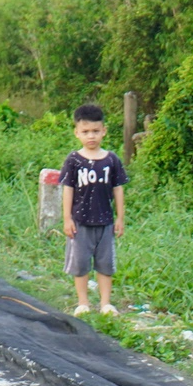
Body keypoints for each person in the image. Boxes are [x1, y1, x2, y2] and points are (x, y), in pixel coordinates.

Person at [60, 103, 128, 316]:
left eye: (96, 131)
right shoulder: (74, 160)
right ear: (77, 133)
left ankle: (106, 303)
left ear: (104, 131)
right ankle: (83, 303)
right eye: (86, 132)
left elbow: (118, 190)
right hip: (80, 221)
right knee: (80, 264)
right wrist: (67, 219)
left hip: (105, 221)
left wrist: (120, 218)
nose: (91, 136)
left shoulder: (111, 160)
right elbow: (68, 190)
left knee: (105, 263)